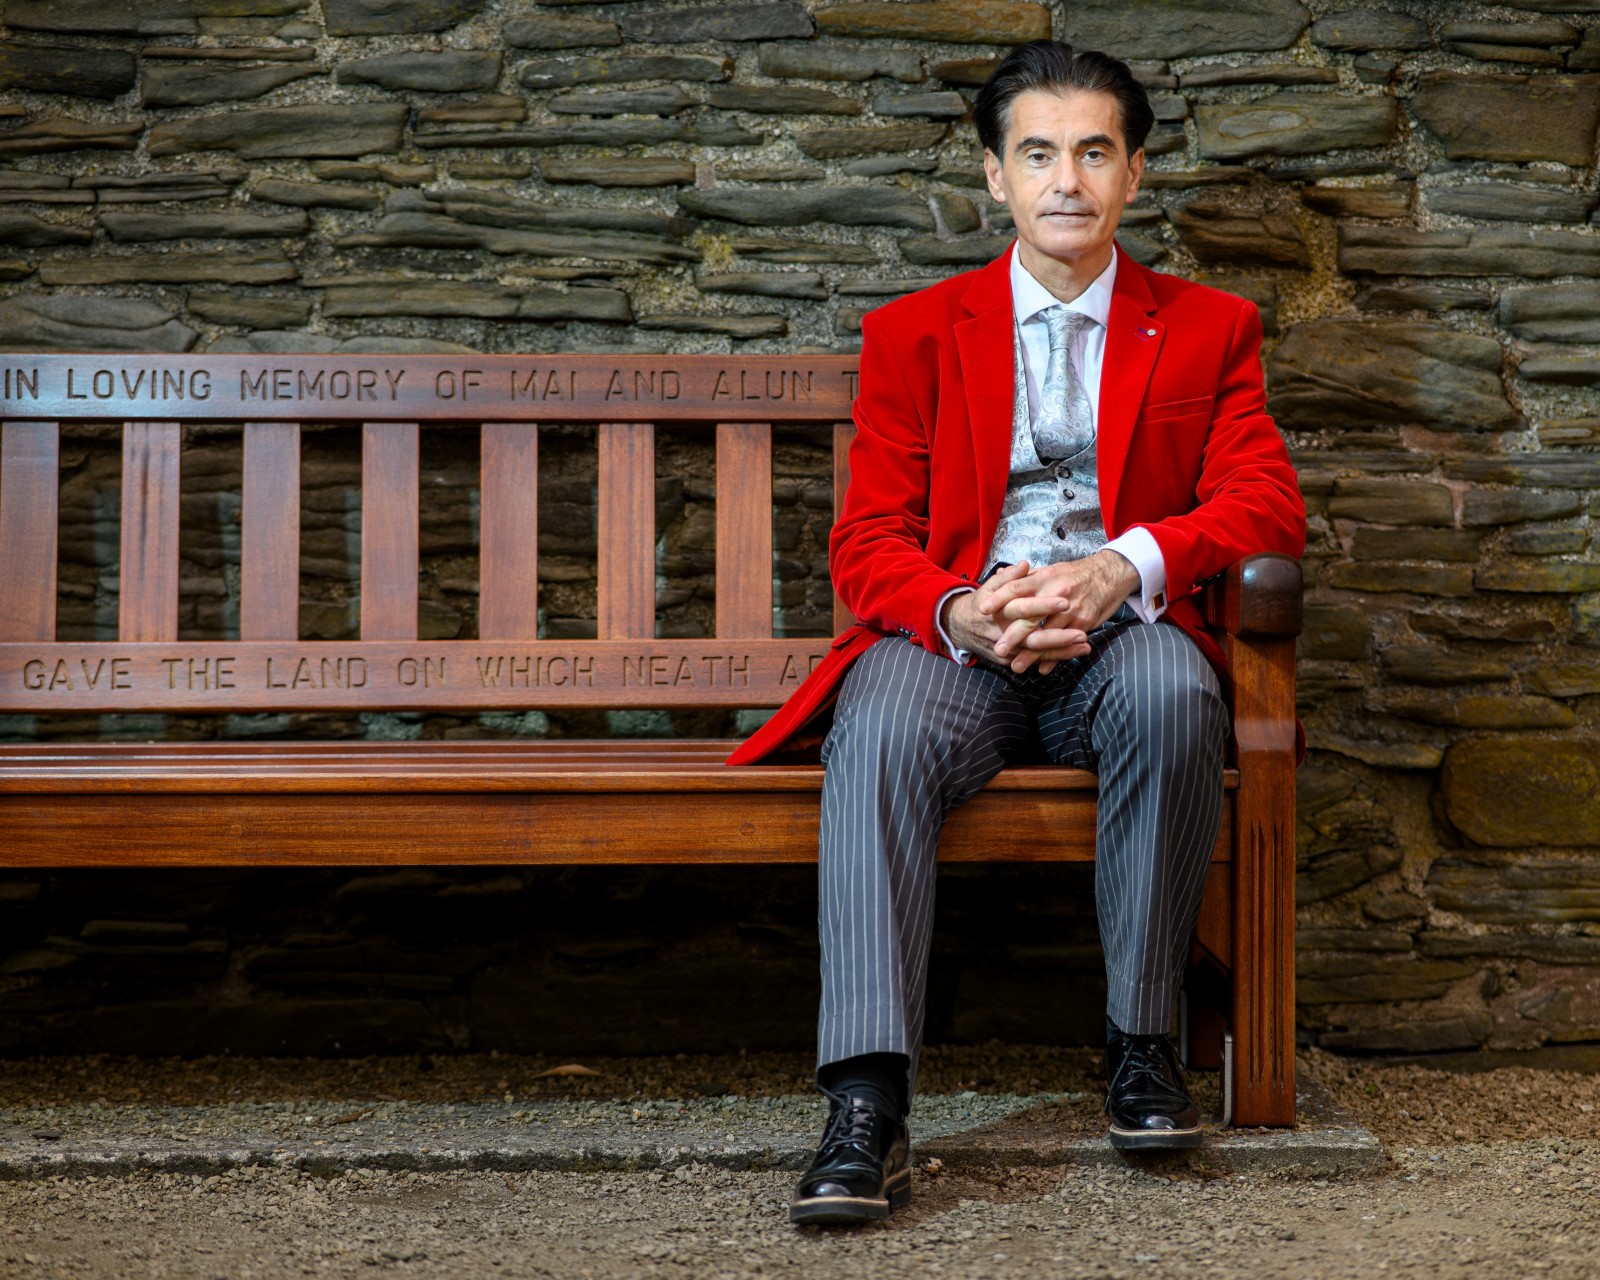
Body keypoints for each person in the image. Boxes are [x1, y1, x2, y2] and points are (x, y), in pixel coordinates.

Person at [726, 39, 1306, 1225]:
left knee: (1175, 696)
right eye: (1038, 154)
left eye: (1093, 152)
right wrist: (960, 609)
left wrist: (1121, 565)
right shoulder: (913, 333)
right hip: (959, 641)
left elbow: (1264, 505)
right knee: (877, 727)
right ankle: (866, 1100)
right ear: (995, 175)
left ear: (1133, 173)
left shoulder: (1209, 328)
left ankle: (1141, 1044)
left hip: (1121, 637)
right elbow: (867, 540)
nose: (1066, 181)